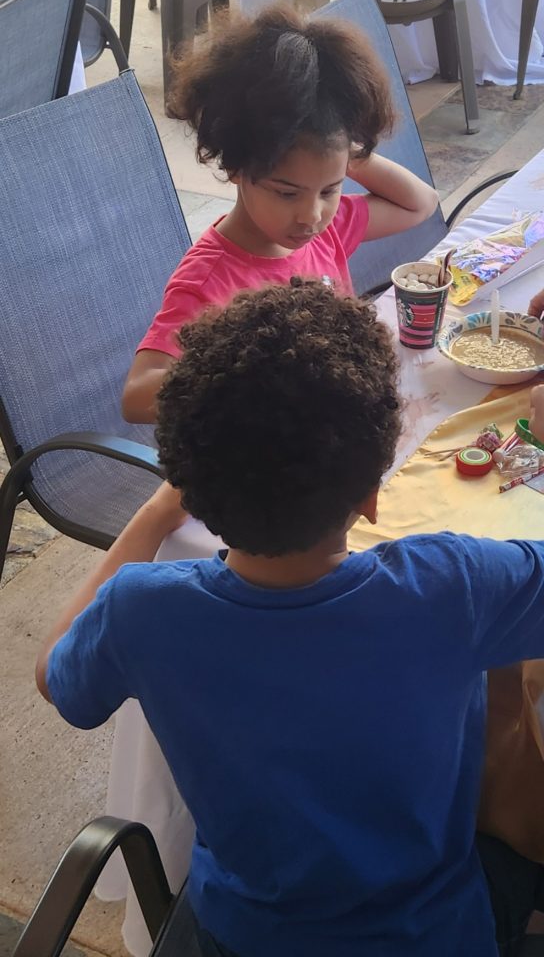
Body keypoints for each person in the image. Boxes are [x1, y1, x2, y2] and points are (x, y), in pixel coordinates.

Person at [38, 280, 544, 957]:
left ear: (194, 480)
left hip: (242, 932)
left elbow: (56, 678)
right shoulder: (453, 583)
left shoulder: (138, 610)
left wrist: (157, 513)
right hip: (432, 931)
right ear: (371, 494)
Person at [121, 2, 438, 424]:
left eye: (330, 189)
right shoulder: (209, 281)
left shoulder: (328, 228)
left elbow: (420, 203)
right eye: (287, 193)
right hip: (276, 462)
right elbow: (136, 398)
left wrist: (344, 147)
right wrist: (247, 370)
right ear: (236, 167)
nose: (311, 214)